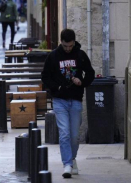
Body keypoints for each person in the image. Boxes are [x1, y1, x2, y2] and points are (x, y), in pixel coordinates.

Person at [41, 29, 95, 179]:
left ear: (73, 42)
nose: (68, 49)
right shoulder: (53, 56)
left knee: (75, 136)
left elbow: (90, 73)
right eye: (65, 46)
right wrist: (56, 87)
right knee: (64, 133)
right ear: (61, 42)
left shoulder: (80, 55)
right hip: (59, 100)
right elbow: (45, 76)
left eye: (70, 46)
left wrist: (82, 82)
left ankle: (71, 159)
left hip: (76, 99)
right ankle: (67, 164)